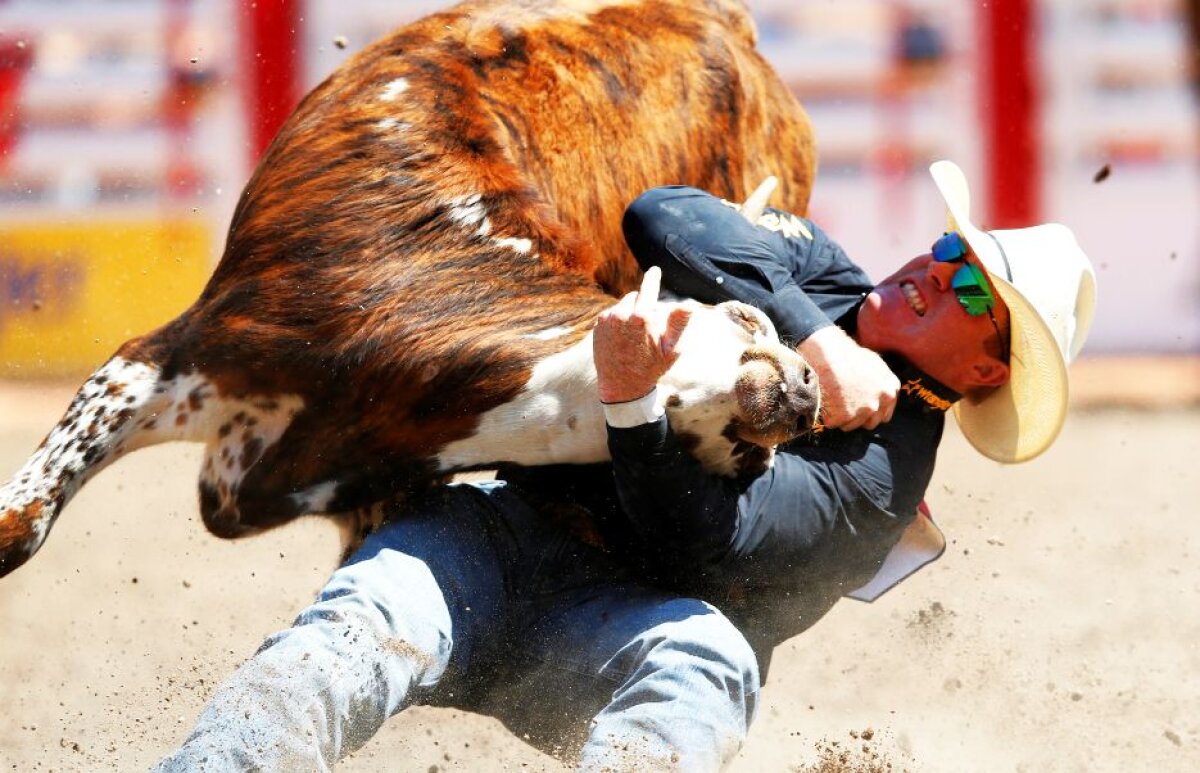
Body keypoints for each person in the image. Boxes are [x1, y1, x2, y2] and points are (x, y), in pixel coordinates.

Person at [155, 161, 1096, 771]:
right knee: (343, 641)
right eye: (947, 248)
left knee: (708, 662)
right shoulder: (828, 274)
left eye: (973, 287)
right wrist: (815, 335)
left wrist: (634, 407)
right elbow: (665, 215)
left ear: (983, 373)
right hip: (502, 539)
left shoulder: (884, 480)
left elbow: (708, 545)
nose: (935, 270)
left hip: (633, 625)